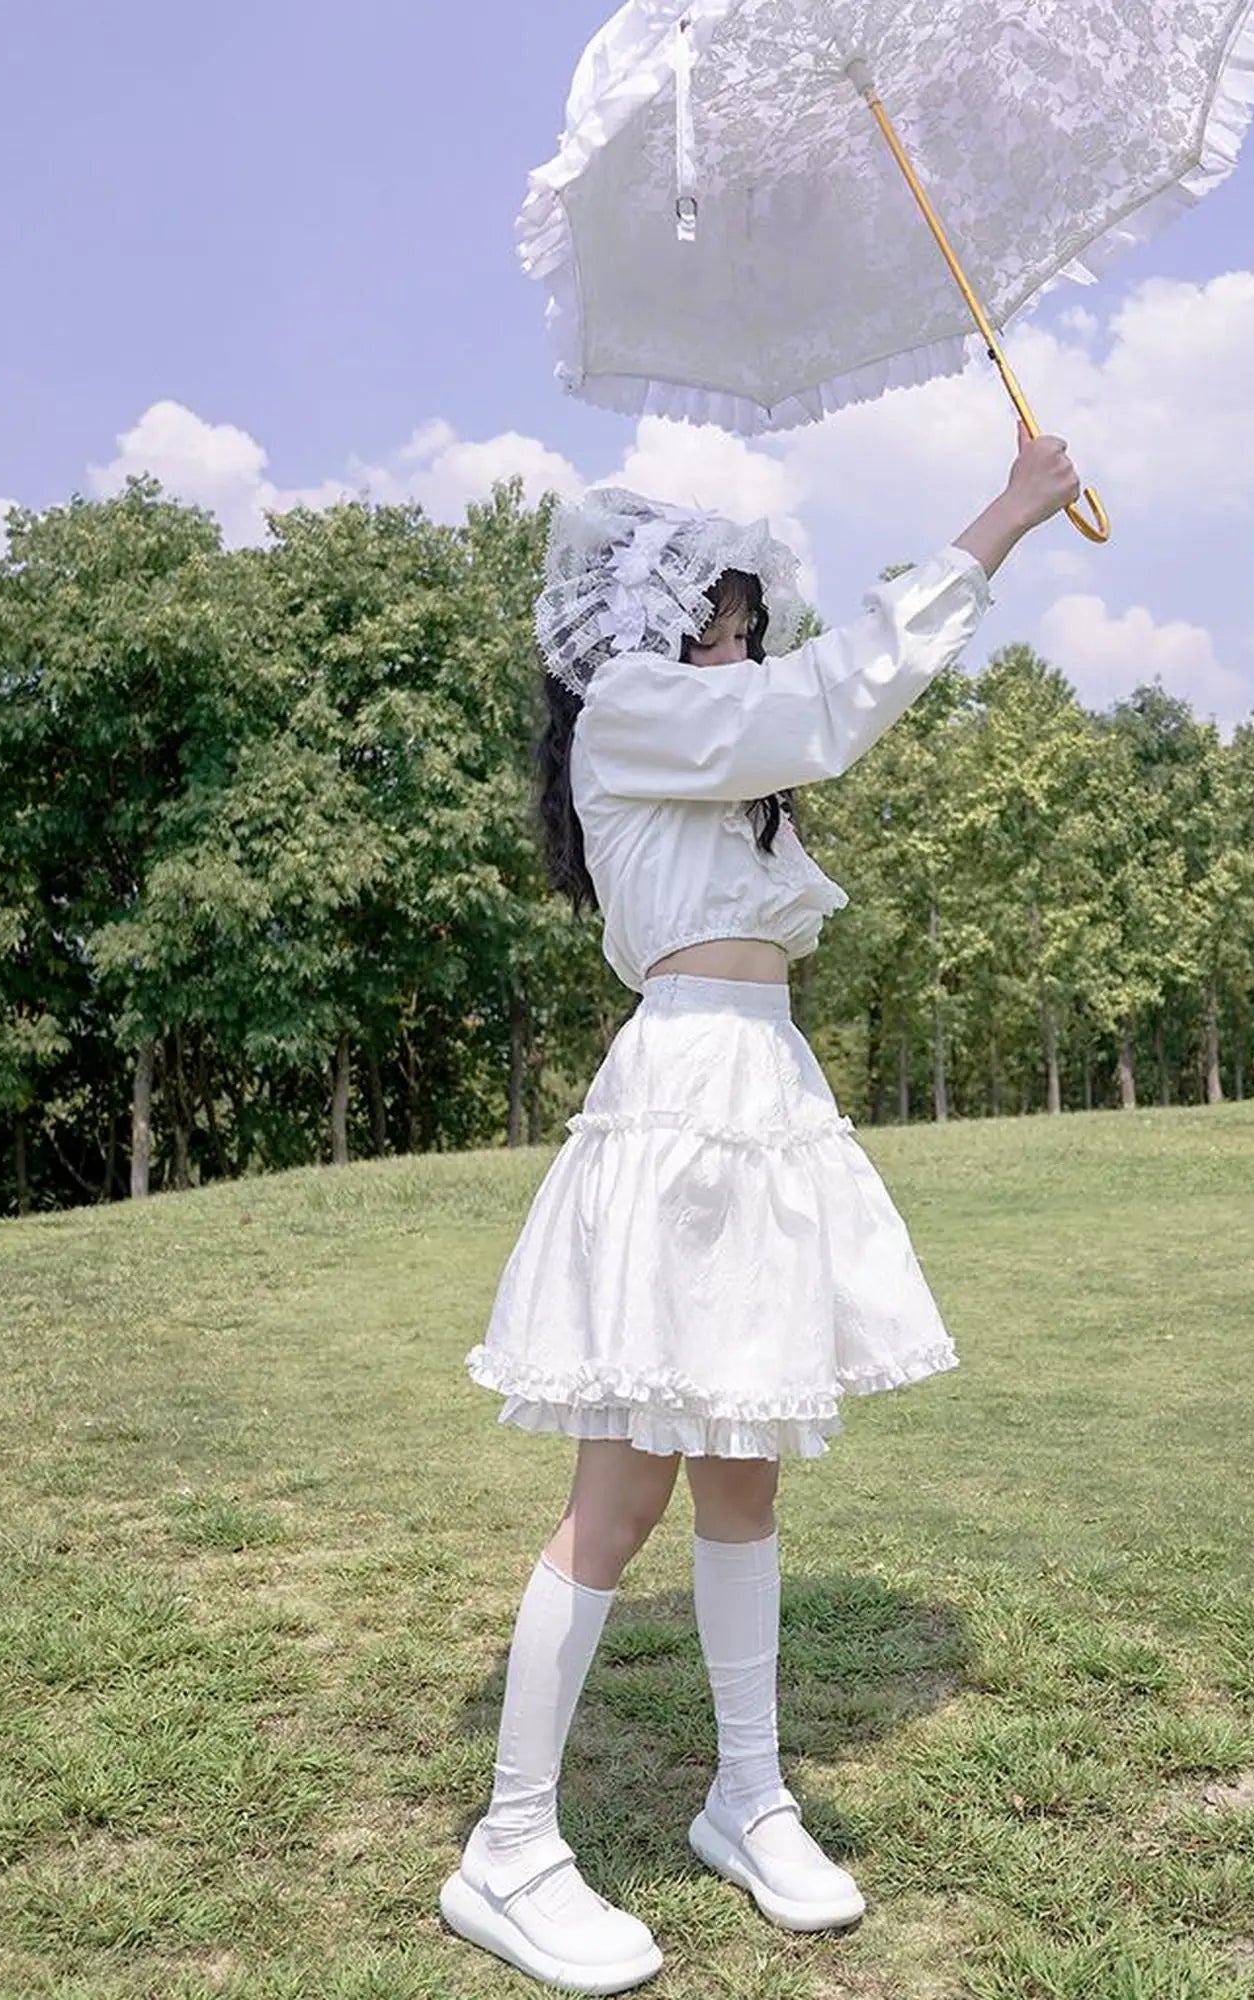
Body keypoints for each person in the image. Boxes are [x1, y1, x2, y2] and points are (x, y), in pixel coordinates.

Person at [439, 424, 1081, 1993]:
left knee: (745, 1477)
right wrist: (1004, 513)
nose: (736, 635)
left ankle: (749, 1794)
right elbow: (837, 701)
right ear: (651, 627)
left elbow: (808, 713)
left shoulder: (711, 744)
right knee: (623, 1499)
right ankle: (509, 1847)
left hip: (765, 1097)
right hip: (679, 1112)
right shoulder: (639, 716)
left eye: (742, 613)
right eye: (713, 613)